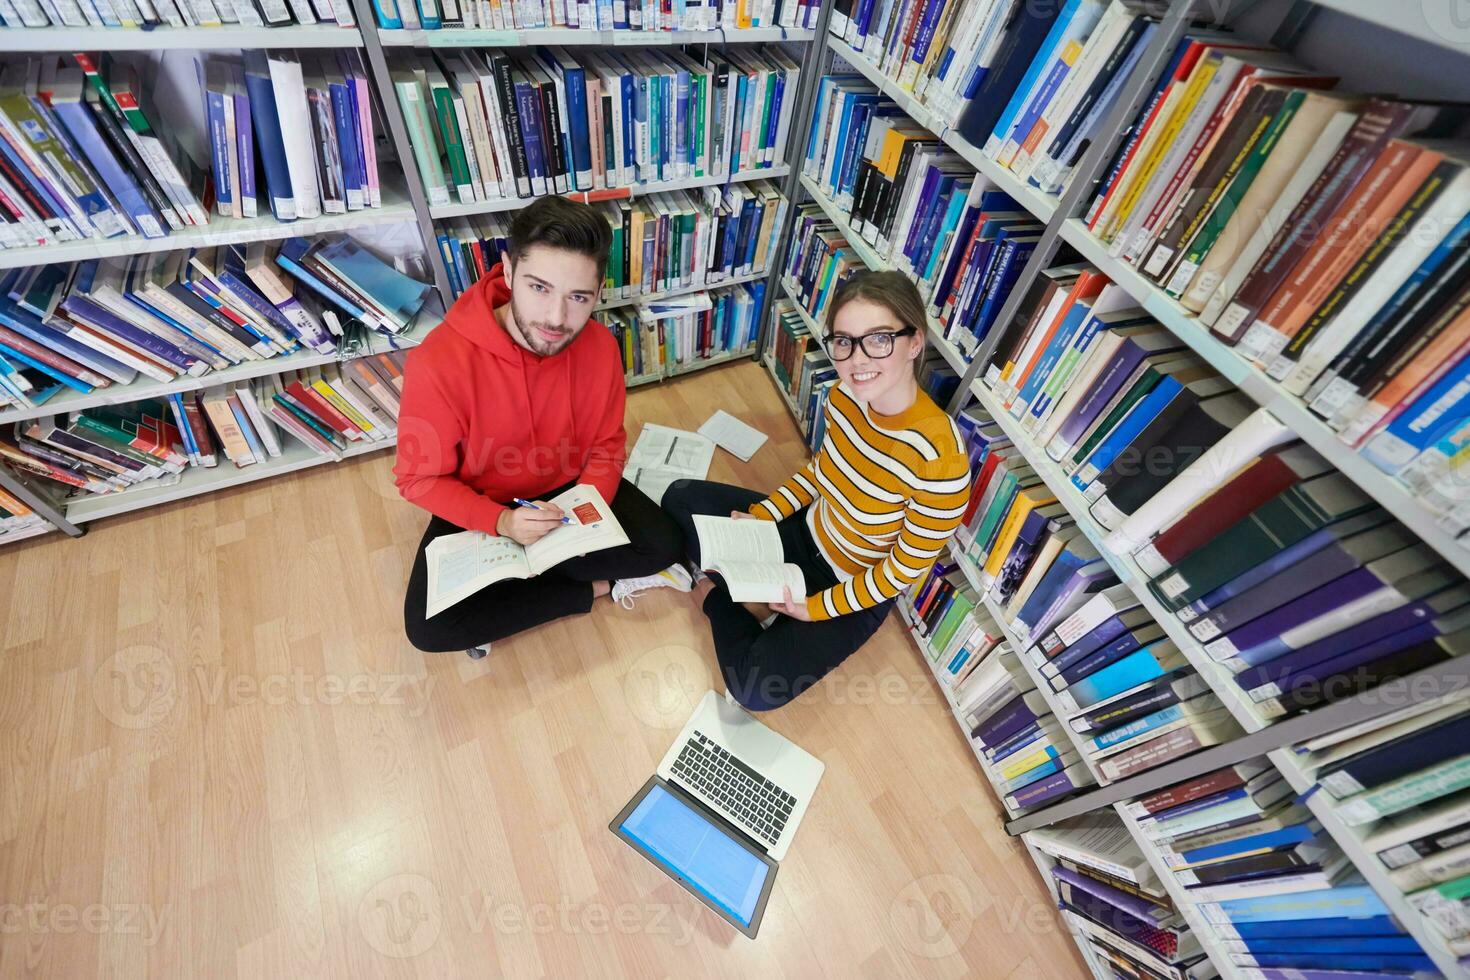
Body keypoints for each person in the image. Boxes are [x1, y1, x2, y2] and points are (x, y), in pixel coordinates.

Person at [663, 271, 971, 710]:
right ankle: (756, 600)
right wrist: (765, 515)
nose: (857, 360)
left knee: (755, 690)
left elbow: (900, 572)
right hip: (803, 533)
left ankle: (721, 597)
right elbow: (821, 473)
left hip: (854, 585)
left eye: (878, 339)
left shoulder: (941, 459)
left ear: (915, 342)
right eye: (844, 341)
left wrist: (816, 608)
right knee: (680, 496)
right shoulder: (845, 396)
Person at [396, 196, 690, 656]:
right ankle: (588, 587)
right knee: (429, 629)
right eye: (539, 288)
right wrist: (502, 522)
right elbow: (418, 479)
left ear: (596, 292)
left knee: (664, 545)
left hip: (568, 495)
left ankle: (526, 579)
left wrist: (584, 515)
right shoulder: (436, 363)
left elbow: (607, 444)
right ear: (509, 273)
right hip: (485, 503)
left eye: (578, 298)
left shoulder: (599, 347)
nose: (557, 319)